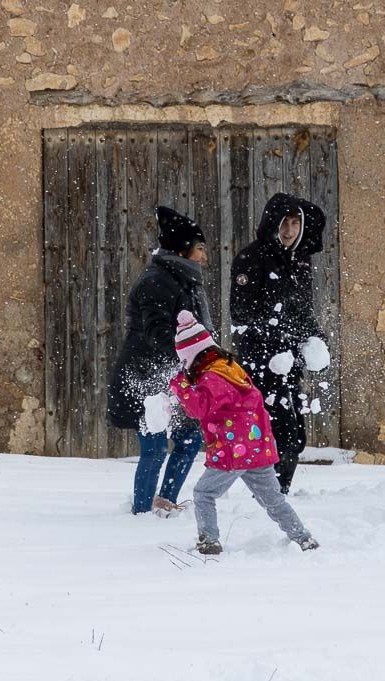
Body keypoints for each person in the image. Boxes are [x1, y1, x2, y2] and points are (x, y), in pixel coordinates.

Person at [169, 311, 320, 555]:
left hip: (233, 450)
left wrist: (180, 385)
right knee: (273, 500)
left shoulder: (212, 377)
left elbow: (198, 408)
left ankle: (209, 541)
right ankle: (303, 538)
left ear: (193, 356)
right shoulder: (231, 368)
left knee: (204, 493)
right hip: (257, 446)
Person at [106, 206, 211, 517]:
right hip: (146, 378)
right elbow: (158, 336)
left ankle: (163, 502)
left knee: (190, 440)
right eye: (200, 248)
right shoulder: (157, 281)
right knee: (153, 449)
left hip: (176, 376)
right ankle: (140, 515)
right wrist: (196, 353)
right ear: (183, 248)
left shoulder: (185, 281)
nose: (204, 256)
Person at [229, 192, 328, 494]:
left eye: (295, 224)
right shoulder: (251, 258)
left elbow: (303, 310)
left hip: (290, 362)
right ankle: (267, 494)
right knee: (274, 432)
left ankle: (279, 491)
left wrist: (316, 342)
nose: (289, 231)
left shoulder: (300, 261)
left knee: (296, 435)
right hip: (260, 363)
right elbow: (242, 313)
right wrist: (278, 334)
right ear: (273, 224)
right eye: (284, 223)